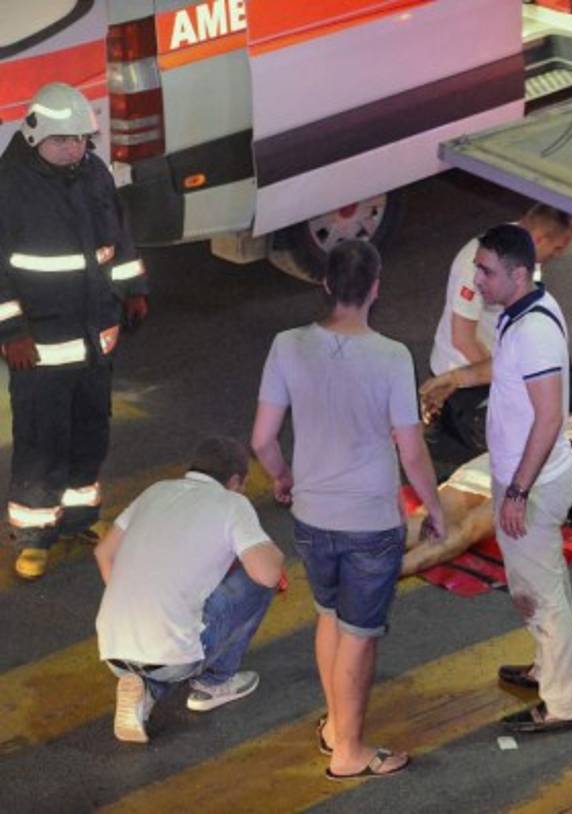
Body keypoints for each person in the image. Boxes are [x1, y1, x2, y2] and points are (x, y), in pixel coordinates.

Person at [251, 240, 445, 780]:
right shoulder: (391, 357)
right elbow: (410, 449)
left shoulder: (287, 346)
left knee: (330, 616)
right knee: (360, 633)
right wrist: (434, 508)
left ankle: (337, 726)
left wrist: (285, 478)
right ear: (376, 287)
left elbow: (263, 438)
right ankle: (350, 752)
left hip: (312, 518)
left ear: (327, 285)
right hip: (371, 524)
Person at [0, 82, 150, 580]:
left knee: (91, 430)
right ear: (34, 134)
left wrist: (134, 289)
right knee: (42, 441)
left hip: (93, 338)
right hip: (38, 349)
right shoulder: (9, 185)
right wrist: (12, 332)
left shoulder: (93, 173)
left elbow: (119, 237)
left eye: (82, 140)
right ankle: (34, 535)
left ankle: (81, 516)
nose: (74, 149)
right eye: (63, 141)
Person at [444, 223, 572, 733]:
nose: (476, 279)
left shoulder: (535, 332)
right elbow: (505, 373)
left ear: (518, 273)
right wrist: (454, 380)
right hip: (524, 478)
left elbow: (549, 418)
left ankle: (563, 703)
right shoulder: (518, 314)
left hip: (534, 485)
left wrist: (518, 493)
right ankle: (547, 669)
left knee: (539, 595)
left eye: (486, 270)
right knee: (543, 585)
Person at [94, 436, 283, 744]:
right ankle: (214, 682)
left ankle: (145, 690)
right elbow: (268, 573)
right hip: (171, 658)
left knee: (175, 625)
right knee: (255, 582)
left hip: (113, 649)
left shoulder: (155, 491)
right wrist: (276, 554)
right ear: (235, 480)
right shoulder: (232, 503)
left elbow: (104, 553)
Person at [402, 399, 572, 576]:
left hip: (555, 471)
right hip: (518, 454)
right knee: (430, 518)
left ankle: (388, 572)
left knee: (467, 528)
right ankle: (367, 556)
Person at [422, 205, 572, 452]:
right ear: (538, 238)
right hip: (465, 375)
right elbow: (463, 338)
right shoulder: (477, 264)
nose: (558, 255)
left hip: (494, 365)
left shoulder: (525, 254)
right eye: (557, 248)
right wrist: (503, 378)